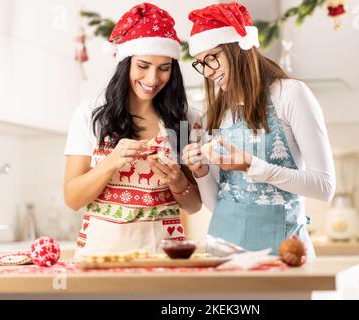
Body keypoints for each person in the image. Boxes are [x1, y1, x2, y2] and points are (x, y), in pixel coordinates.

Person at [182, 2, 336, 258]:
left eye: (214, 58)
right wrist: (200, 172)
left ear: (238, 47)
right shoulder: (215, 113)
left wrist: (252, 165)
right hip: (223, 253)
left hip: (285, 252)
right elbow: (219, 206)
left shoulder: (290, 95)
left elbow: (324, 187)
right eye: (201, 63)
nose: (208, 72)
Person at [63, 3, 202, 259]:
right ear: (126, 62)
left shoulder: (186, 119)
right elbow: (72, 198)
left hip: (164, 257)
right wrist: (111, 162)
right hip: (100, 258)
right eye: (143, 65)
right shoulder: (90, 115)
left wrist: (177, 181)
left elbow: (193, 206)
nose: (152, 79)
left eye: (164, 68)